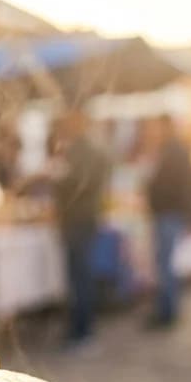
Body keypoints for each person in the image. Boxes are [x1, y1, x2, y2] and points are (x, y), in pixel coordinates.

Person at [53, 107, 110, 345]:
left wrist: (59, 180)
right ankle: (80, 327)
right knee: (79, 275)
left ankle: (81, 329)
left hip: (79, 218)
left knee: (79, 276)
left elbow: (79, 183)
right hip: (84, 217)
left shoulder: (82, 150)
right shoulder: (91, 148)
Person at [146, 114, 191, 327]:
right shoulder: (170, 150)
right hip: (168, 212)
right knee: (164, 264)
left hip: (168, 213)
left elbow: (174, 185)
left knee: (166, 265)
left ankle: (167, 312)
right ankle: (165, 309)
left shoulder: (174, 152)